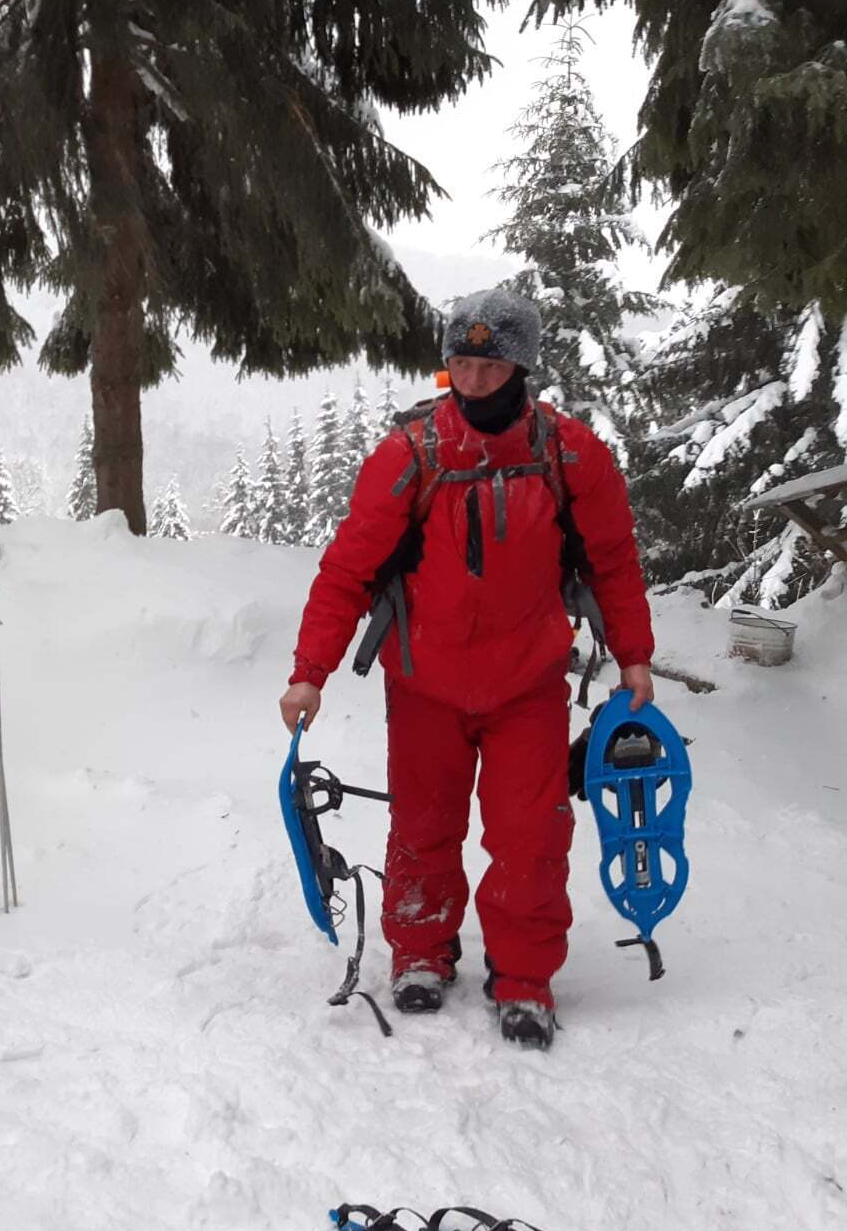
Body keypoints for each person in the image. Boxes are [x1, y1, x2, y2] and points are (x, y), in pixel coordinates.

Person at [279, 289, 656, 1049]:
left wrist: (635, 658)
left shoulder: (569, 452)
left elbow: (613, 559)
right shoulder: (410, 454)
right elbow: (348, 568)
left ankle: (523, 979)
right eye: (462, 364)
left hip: (529, 686)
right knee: (423, 826)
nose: (476, 380)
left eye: (490, 364)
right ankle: (420, 952)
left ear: (520, 365)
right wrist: (309, 669)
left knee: (530, 837)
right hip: (426, 686)